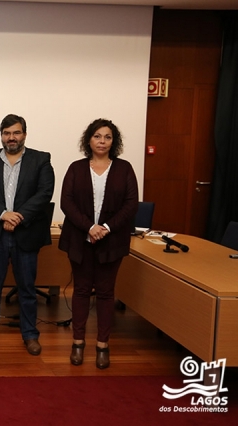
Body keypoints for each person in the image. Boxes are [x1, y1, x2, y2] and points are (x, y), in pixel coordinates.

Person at [0, 114, 55, 355]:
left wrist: (18, 216)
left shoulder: (41, 159)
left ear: (24, 134)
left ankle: (30, 335)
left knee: (27, 289)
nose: (11, 137)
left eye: (16, 132)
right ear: (1, 135)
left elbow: (44, 192)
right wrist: (2, 214)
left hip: (25, 233)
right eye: (7, 133)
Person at [58, 118, 138, 369]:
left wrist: (106, 228)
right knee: (81, 291)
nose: (102, 141)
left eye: (107, 137)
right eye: (97, 136)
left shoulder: (124, 168)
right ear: (89, 140)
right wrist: (90, 227)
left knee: (105, 293)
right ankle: (78, 343)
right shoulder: (76, 168)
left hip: (111, 241)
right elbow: (66, 202)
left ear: (114, 142)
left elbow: (131, 204)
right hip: (80, 239)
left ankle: (103, 345)